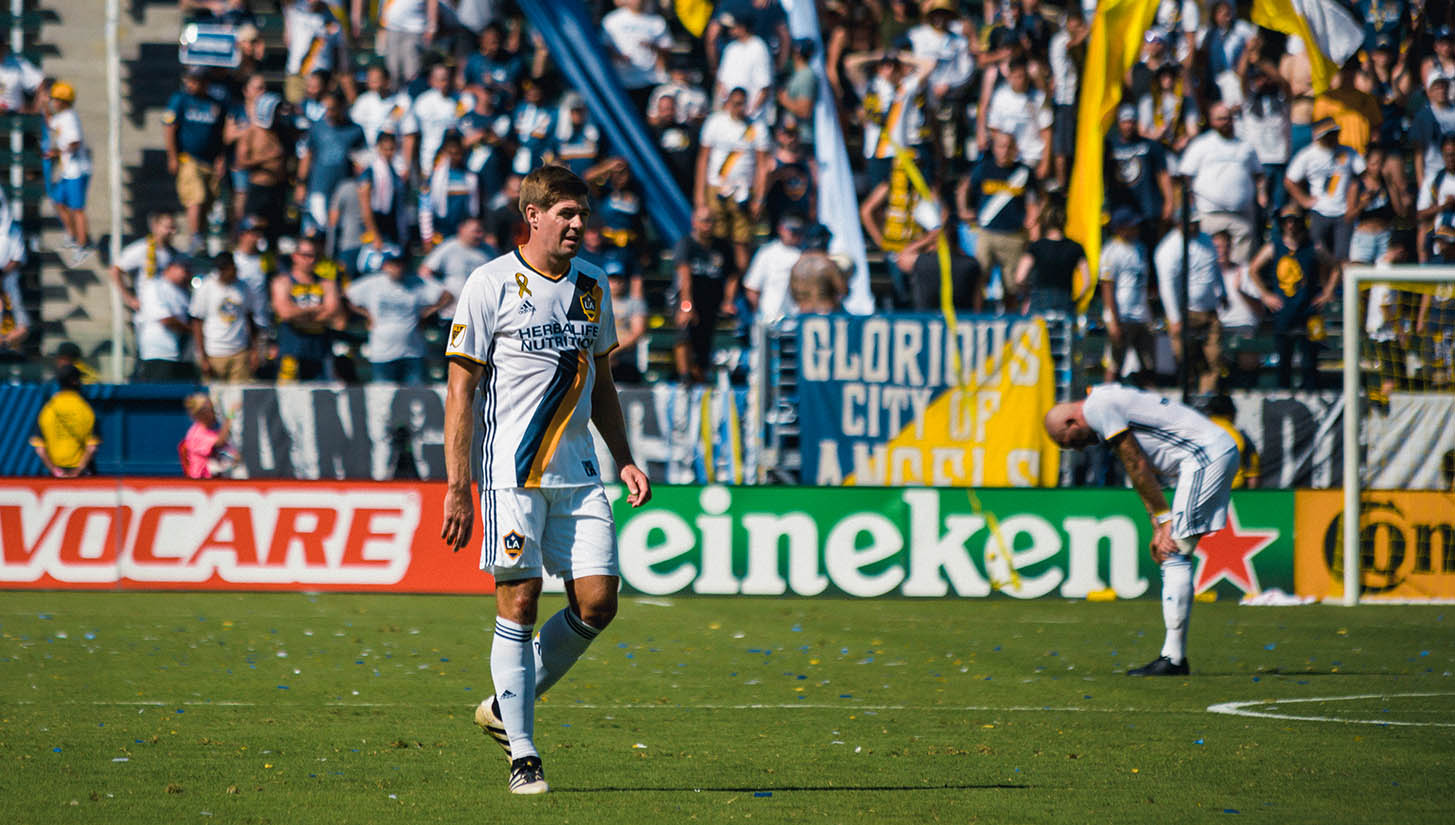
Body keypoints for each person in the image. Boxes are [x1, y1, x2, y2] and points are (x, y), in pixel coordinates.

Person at [441, 164, 651, 795]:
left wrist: (624, 457)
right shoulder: (489, 283)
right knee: (521, 599)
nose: (579, 223)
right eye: (566, 213)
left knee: (599, 603)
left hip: (581, 474)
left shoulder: (594, 283)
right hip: (512, 473)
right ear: (532, 216)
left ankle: (505, 705)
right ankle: (523, 753)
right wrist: (457, 485)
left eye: (583, 213)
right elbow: (460, 391)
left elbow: (602, 383)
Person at [1044, 384, 1240, 676]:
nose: (1078, 448)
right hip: (1208, 455)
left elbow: (1135, 462)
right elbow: (1138, 466)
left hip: (1203, 456)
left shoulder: (1098, 408)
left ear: (1071, 422)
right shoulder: (1104, 400)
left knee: (1173, 552)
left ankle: (1173, 659)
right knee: (1174, 549)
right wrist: (1158, 523)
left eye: (1070, 442)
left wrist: (1164, 520)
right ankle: (1173, 657)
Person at [695, 87, 770, 273]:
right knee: (716, 238)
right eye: (736, 104)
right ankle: (719, 280)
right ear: (728, 103)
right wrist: (700, 197)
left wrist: (759, 197)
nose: (740, 108)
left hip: (743, 191)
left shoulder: (756, 127)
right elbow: (703, 159)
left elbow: (762, 165)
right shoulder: (715, 123)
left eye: (743, 104)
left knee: (741, 240)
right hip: (717, 187)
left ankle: (740, 281)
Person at [346, 248, 447, 384]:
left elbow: (446, 295)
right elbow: (347, 296)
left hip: (412, 353)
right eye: (393, 265)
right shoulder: (372, 283)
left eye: (399, 264)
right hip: (382, 354)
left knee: (415, 394)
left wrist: (427, 313)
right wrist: (367, 314)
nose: (397, 269)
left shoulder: (417, 283)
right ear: (385, 266)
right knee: (382, 395)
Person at [1154, 215, 1224, 394]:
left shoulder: (1206, 239)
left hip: (1210, 311)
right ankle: (1189, 395)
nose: (1194, 226)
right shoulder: (1169, 249)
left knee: (1213, 359)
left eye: (1196, 222)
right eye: (1190, 223)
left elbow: (1215, 268)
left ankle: (1207, 397)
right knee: (1186, 360)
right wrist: (1174, 318)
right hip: (1186, 313)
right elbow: (1167, 285)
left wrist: (1222, 292)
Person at [164, 67, 227, 253]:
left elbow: (221, 133)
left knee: (208, 200)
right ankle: (195, 236)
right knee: (196, 197)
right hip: (188, 158)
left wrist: (221, 158)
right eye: (190, 80)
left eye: (196, 81)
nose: (191, 84)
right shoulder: (181, 99)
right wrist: (172, 156)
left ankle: (201, 237)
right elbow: (169, 127)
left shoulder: (215, 104)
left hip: (209, 161)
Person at [671, 206, 737, 383]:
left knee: (703, 345)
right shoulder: (686, 244)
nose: (708, 225)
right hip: (687, 298)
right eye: (704, 221)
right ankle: (684, 378)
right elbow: (684, 276)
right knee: (684, 335)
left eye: (711, 221)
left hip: (710, 301)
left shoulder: (722, 247)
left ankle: (700, 381)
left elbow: (732, 275)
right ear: (695, 222)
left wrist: (728, 300)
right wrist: (686, 306)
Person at [1284, 118, 1364, 262]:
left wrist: (1354, 203)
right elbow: (1290, 181)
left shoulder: (1348, 152)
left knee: (1342, 257)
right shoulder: (1307, 155)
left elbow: (1362, 174)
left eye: (1335, 133)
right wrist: (1304, 200)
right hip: (1319, 212)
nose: (1333, 138)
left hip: (1343, 213)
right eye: (1329, 135)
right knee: (1318, 256)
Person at [271, 234, 341, 382]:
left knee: (323, 394)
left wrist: (298, 314)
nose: (311, 260)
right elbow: (285, 313)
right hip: (291, 351)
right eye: (307, 255)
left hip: (320, 352)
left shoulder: (327, 283)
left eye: (315, 256)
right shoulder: (283, 282)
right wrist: (316, 309)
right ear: (295, 256)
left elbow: (332, 312)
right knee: (288, 393)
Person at [1099, 207, 1157, 385]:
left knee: (1147, 363)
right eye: (1131, 226)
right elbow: (1107, 287)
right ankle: (1107, 394)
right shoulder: (1111, 251)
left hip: (1141, 315)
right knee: (1115, 363)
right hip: (1121, 315)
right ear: (1120, 229)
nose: (1136, 229)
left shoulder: (1141, 248)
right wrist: (1113, 321)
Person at [191, 252, 263, 382]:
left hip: (239, 353)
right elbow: (197, 322)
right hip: (214, 353)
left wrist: (254, 351)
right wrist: (202, 356)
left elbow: (250, 319)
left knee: (238, 393)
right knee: (214, 393)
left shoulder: (243, 287)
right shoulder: (206, 287)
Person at [46, 80, 92, 265]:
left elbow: (75, 142)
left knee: (77, 209)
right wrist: (43, 106)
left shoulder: (70, 118)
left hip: (78, 171)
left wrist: (57, 152)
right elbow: (51, 123)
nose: (53, 102)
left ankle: (83, 245)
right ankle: (72, 235)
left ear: (64, 101)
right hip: (68, 171)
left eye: (55, 99)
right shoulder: (62, 116)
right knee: (58, 201)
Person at [30, 364, 99, 477]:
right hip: (82, 474)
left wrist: (55, 471)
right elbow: (92, 447)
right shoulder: (86, 409)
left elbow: (40, 449)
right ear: (74, 381)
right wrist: (77, 471)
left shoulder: (48, 409)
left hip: (56, 474)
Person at [135, 260, 196, 381]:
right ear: (170, 268)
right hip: (158, 354)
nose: (186, 274)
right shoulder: (155, 286)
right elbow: (165, 319)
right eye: (183, 269)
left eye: (188, 270)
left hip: (180, 355)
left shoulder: (183, 292)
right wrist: (192, 331)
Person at [1204, 394, 1260, 489]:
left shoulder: (1198, 433)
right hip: (1234, 490)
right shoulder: (1240, 436)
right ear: (1232, 413)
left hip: (1203, 489)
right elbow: (1252, 473)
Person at [179, 392, 238, 479]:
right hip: (201, 479)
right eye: (212, 410)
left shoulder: (212, 430)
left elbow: (225, 449)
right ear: (203, 414)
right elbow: (219, 442)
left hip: (216, 476)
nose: (215, 414)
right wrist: (231, 415)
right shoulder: (196, 434)